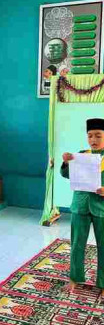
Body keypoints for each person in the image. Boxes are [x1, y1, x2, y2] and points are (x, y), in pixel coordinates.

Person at [61, 118, 104, 295]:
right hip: (80, 206)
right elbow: (66, 174)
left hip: (101, 208)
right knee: (77, 244)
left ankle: (102, 283)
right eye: (90, 136)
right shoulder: (81, 154)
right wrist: (66, 162)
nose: (93, 139)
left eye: (98, 136)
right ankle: (74, 278)